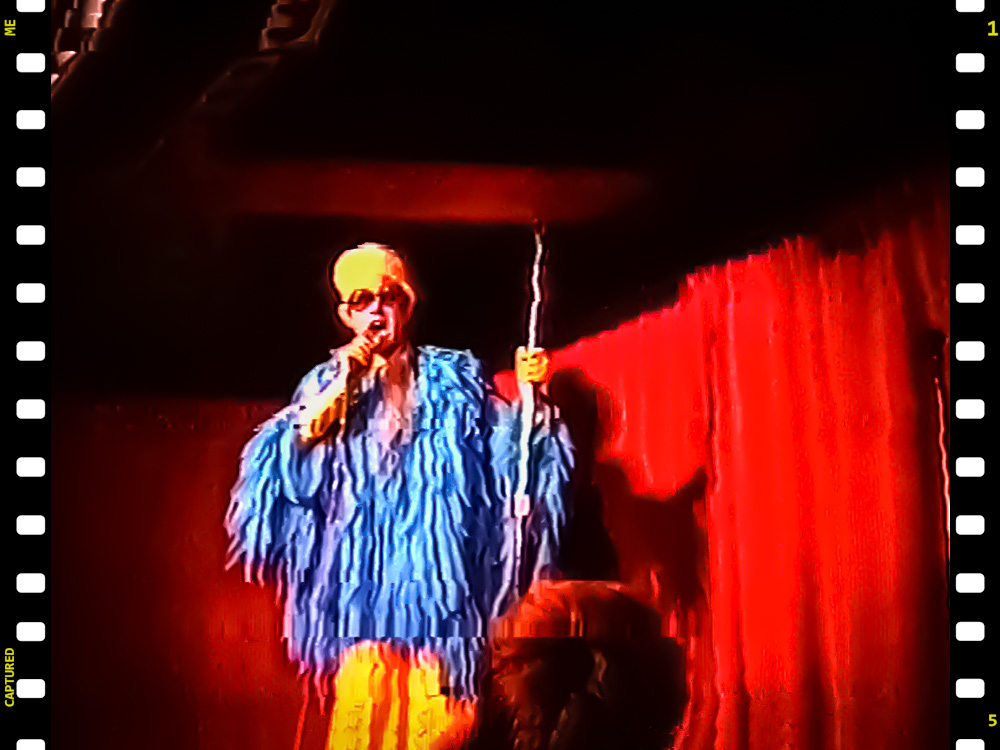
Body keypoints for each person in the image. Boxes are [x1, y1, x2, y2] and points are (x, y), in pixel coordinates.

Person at [224, 242, 574, 749]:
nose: (377, 311)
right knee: (364, 725)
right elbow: (285, 470)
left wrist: (529, 397)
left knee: (439, 729)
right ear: (345, 313)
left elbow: (507, 457)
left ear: (407, 306)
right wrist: (342, 388)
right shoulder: (325, 385)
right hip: (361, 603)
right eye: (362, 299)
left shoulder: (453, 380)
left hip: (439, 604)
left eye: (389, 297)